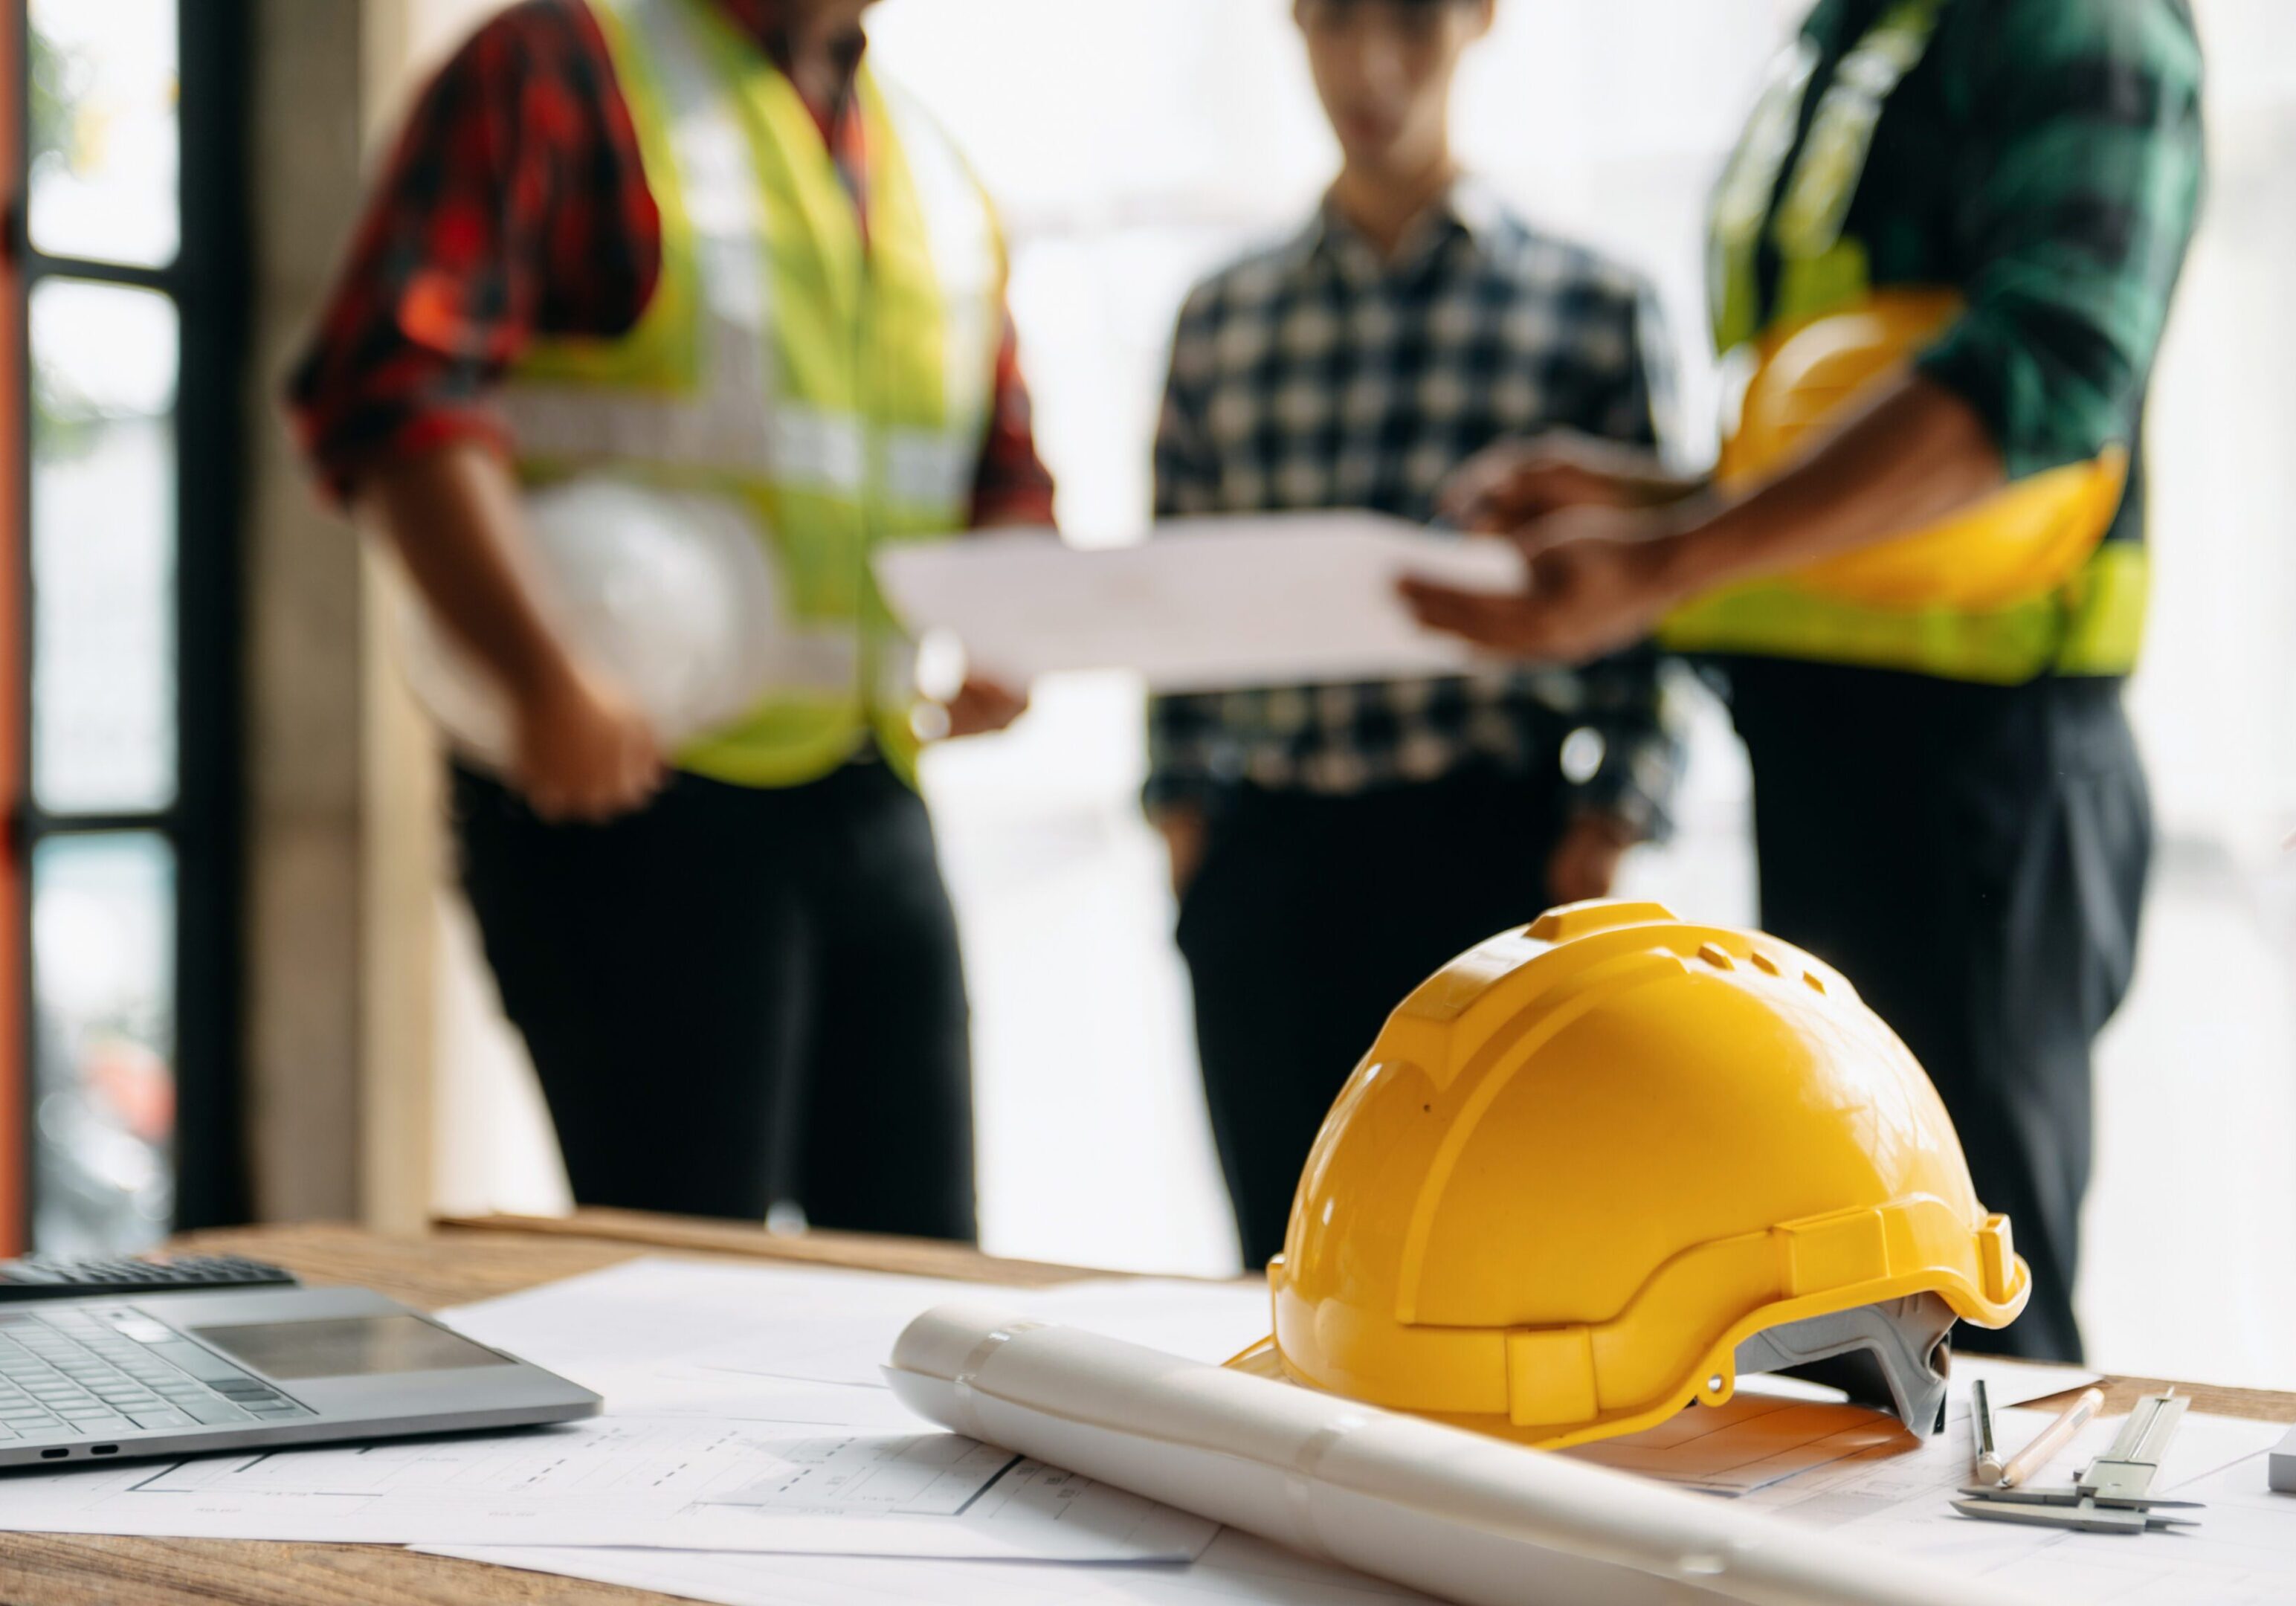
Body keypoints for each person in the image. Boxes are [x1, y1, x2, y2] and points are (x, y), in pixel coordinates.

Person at [1405, 0, 2204, 1360]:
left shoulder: (2080, 22)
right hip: (1833, 756)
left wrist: (1670, 554)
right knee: (1863, 1323)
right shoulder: (1850, 35)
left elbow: (2049, 373)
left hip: (1982, 773)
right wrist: (1667, 500)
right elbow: (1853, 418)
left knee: (1975, 1325)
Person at [288, 0, 1054, 1239]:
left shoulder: (935, 171)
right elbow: (396, 387)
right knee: (687, 1286)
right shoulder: (560, 67)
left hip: (870, 787)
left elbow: (1001, 461)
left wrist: (1015, 613)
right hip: (634, 808)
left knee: (926, 1278)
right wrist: (541, 676)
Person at [1147, 0, 1683, 1269]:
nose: (1370, 68)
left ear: (1480, 20)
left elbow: (1652, 612)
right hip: (1268, 862)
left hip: (1491, 859)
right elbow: (1180, 599)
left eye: (1411, 23)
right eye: (1334, 24)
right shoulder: (1220, 320)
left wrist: (1611, 821)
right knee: (1284, 1271)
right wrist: (1186, 832)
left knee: (1500, 1272)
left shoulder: (1592, 304)